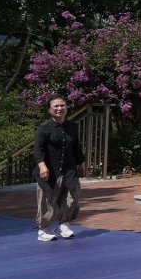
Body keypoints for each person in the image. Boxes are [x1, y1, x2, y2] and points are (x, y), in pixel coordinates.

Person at [34, 94, 85, 242]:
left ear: (66, 108)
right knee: (47, 200)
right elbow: (38, 150)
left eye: (62, 105)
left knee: (72, 199)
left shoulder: (72, 127)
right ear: (50, 110)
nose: (59, 108)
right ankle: (43, 230)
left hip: (69, 169)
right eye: (55, 106)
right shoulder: (44, 128)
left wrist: (81, 162)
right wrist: (42, 165)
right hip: (49, 171)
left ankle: (63, 224)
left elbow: (76, 146)